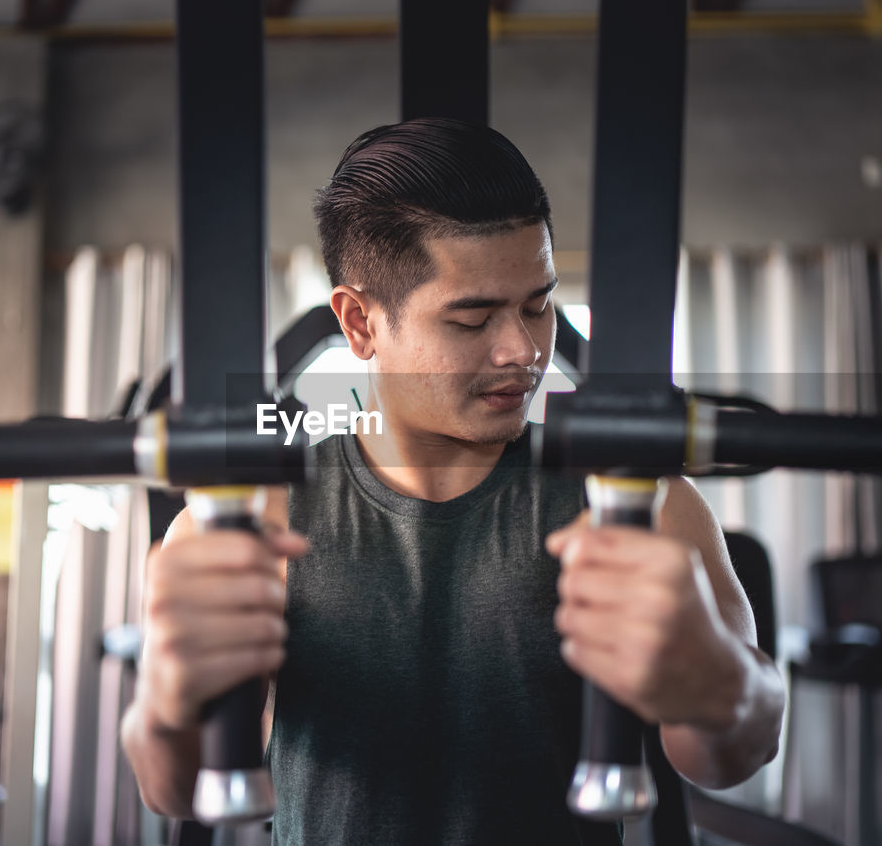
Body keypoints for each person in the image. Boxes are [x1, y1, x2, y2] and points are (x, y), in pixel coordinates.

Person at [120, 118, 785, 844]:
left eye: (539, 305)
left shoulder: (638, 504)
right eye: (472, 319)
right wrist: (165, 700)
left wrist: (720, 677)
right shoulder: (256, 518)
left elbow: (735, 755)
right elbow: (171, 789)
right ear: (360, 323)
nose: (524, 350)